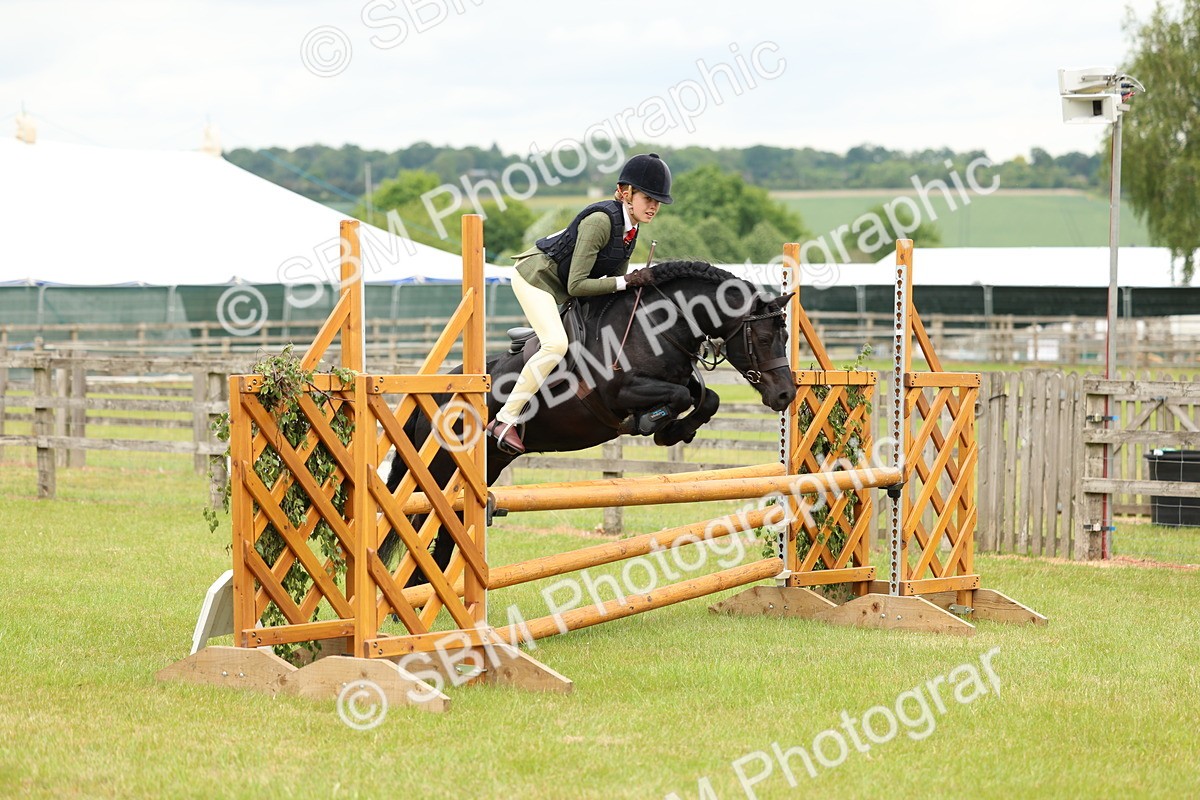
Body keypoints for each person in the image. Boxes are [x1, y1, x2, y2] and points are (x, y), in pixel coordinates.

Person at [486, 152, 674, 455]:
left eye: (658, 201)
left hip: (564, 286)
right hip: (536, 279)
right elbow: (579, 284)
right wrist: (628, 282)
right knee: (555, 345)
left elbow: (611, 284)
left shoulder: (631, 230)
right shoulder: (600, 221)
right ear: (626, 193)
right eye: (648, 198)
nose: (654, 206)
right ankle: (505, 419)